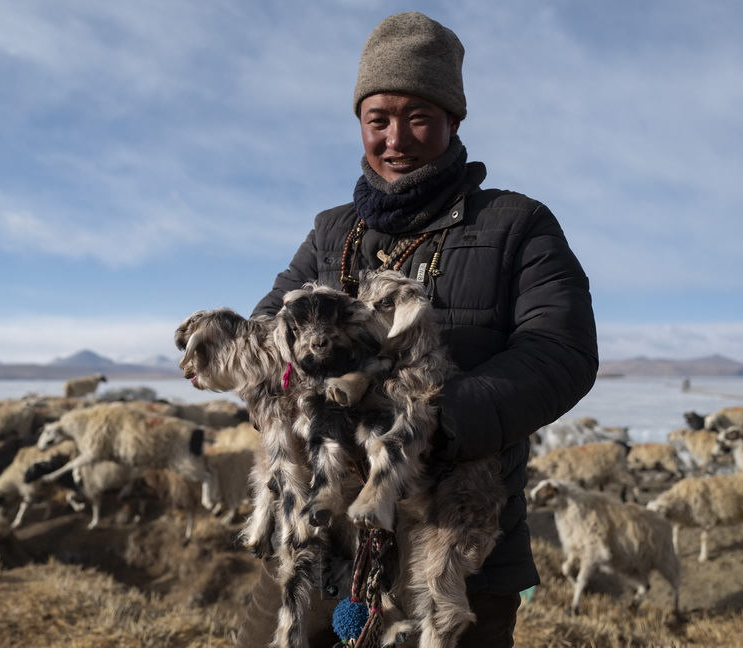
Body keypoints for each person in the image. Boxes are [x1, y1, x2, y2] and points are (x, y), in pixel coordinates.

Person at [242, 11, 598, 648]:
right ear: (360, 124)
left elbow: (560, 352)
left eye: (418, 117)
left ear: (452, 122)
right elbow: (269, 335)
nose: (396, 138)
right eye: (378, 118)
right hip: (327, 533)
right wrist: (299, 405)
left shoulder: (517, 225)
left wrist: (430, 425)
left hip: (457, 538)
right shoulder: (332, 233)